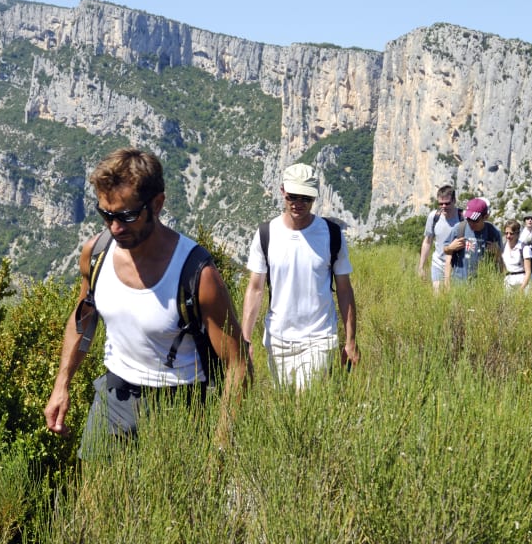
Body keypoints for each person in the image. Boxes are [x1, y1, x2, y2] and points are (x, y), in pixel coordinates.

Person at [44, 148, 250, 459]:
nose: (115, 228)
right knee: (94, 504)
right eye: (106, 215)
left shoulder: (197, 274)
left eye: (127, 216)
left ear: (157, 204)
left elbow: (237, 365)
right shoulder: (96, 253)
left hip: (180, 407)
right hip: (114, 398)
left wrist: (220, 446)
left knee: (171, 506)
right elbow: (83, 319)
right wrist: (62, 384)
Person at [241, 162, 359, 390]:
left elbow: (344, 290)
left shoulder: (331, 235)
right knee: (285, 412)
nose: (298, 204)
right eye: (293, 196)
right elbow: (255, 288)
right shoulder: (266, 234)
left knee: (305, 404)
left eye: (306, 198)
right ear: (283, 191)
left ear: (314, 198)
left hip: (318, 337)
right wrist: (245, 339)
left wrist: (351, 340)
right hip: (278, 341)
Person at [444, 197, 502, 285]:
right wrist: (450, 247)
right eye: (468, 219)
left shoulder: (493, 232)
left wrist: (497, 252)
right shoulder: (459, 228)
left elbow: (500, 262)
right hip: (459, 284)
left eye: (475, 220)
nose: (471, 223)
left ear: (485, 217)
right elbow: (446, 251)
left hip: (483, 286)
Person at [418, 185, 464, 292]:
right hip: (438, 264)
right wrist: (421, 266)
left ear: (454, 200)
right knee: (438, 297)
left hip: (458, 266)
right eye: (440, 203)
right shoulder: (434, 217)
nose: (443, 206)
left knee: (455, 299)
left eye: (447, 203)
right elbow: (427, 242)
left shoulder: (462, 217)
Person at [502, 220, 532, 292]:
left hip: (523, 281)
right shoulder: (503, 247)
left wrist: (522, 289)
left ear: (517, 234)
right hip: (508, 281)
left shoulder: (524, 248)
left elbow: (528, 271)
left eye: (511, 233)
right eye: (506, 233)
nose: (508, 236)